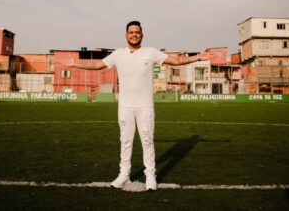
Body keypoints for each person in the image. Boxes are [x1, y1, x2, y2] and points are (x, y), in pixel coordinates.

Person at [64, 21, 214, 191]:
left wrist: (198, 57)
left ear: (142, 35)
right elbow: (97, 65)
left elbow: (177, 61)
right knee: (125, 141)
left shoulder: (151, 52)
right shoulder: (118, 54)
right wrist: (75, 63)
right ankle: (123, 175)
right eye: (131, 32)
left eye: (137, 32)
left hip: (145, 106)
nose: (134, 34)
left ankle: (150, 177)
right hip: (125, 106)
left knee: (147, 140)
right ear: (126, 35)